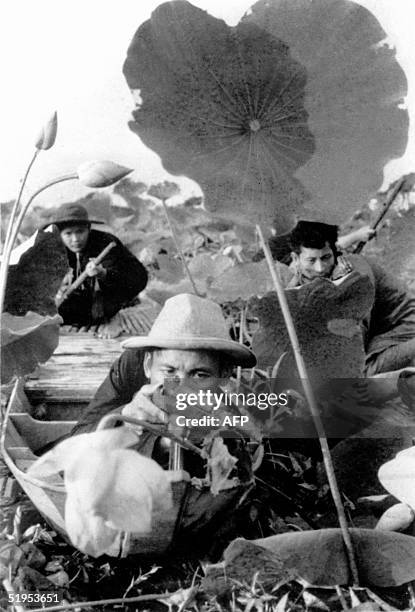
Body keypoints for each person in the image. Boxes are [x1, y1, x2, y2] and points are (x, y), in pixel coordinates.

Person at [71, 293, 256, 437]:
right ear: (148, 364)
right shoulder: (131, 366)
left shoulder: (228, 409)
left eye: (199, 375)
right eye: (169, 371)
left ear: (224, 374)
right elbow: (77, 441)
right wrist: (124, 417)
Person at [287, 220, 415, 376]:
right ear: (295, 258)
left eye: (326, 258)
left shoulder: (355, 276)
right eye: (311, 260)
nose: (320, 268)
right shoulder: (302, 277)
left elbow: (354, 339)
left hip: (402, 327)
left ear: (334, 253)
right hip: (378, 336)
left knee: (361, 374)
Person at [43, 203, 148, 327]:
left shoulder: (106, 243)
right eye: (68, 233)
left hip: (121, 290)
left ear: (89, 229)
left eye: (80, 231)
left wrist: (102, 273)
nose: (75, 239)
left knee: (103, 307)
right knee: (57, 313)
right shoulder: (54, 249)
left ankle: (114, 319)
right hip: (82, 296)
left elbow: (128, 279)